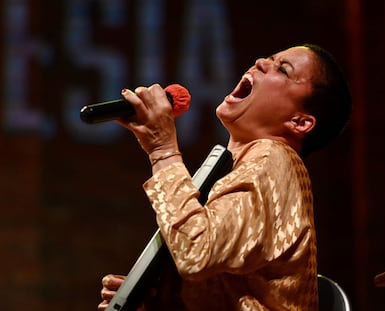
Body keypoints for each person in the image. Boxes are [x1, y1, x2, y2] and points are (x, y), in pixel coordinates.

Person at [98, 43, 352, 311]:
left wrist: (162, 151)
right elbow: (220, 285)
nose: (260, 62)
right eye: (268, 58)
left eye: (283, 70)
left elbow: (196, 252)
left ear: (299, 122)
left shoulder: (274, 158)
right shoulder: (240, 167)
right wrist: (158, 300)